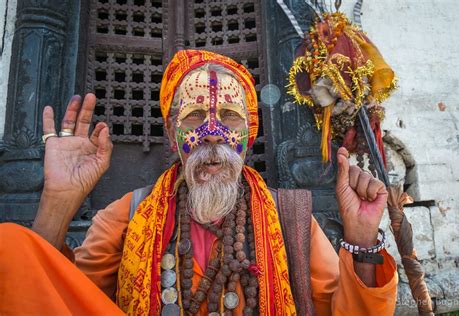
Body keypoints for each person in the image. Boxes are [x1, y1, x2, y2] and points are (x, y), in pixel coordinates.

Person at [0, 50, 397, 315]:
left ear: (249, 136)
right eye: (192, 118)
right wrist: (58, 200)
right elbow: (53, 299)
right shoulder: (127, 216)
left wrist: (362, 243)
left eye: (229, 115)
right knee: (10, 247)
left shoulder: (288, 217)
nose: (211, 132)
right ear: (173, 138)